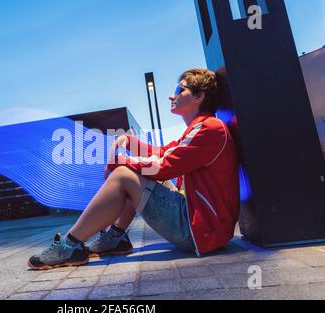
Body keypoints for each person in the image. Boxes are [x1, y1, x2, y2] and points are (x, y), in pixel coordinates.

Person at [28, 68, 239, 270]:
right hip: (205, 225)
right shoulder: (202, 128)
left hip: (199, 231)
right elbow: (162, 152)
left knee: (123, 175)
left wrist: (119, 162)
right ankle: (115, 238)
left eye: (179, 90)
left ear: (198, 97)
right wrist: (128, 141)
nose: (171, 96)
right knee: (134, 171)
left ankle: (70, 245)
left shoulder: (209, 129)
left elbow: (164, 167)